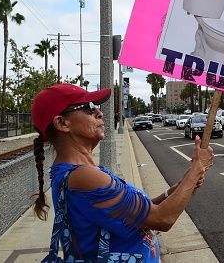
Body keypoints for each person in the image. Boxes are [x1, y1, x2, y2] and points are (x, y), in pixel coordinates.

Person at [31, 83, 214, 262]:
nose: (99, 112)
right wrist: (197, 168)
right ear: (62, 123)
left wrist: (181, 186)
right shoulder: (83, 177)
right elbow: (162, 218)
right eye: (88, 108)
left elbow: (138, 213)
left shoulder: (81, 173)